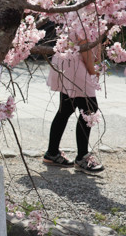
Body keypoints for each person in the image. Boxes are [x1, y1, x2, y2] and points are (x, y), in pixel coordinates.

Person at [44, 35, 104, 174]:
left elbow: (96, 40)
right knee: (90, 110)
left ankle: (52, 152)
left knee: (65, 109)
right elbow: (84, 43)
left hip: (69, 62)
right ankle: (82, 157)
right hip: (77, 63)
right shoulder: (86, 13)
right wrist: (92, 69)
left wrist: (98, 63)